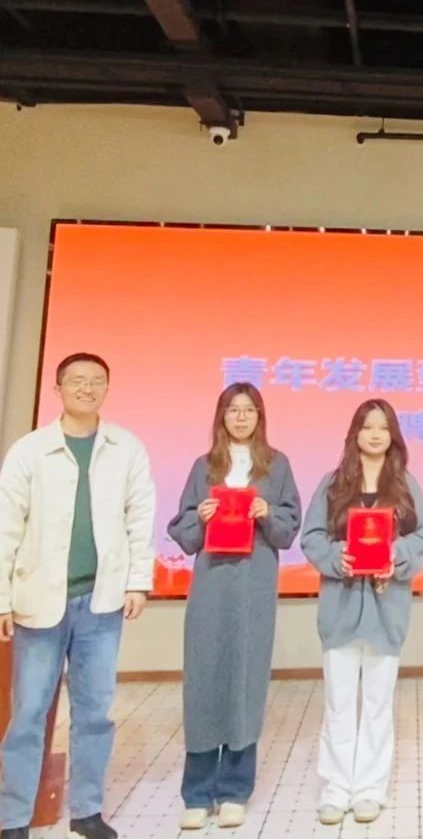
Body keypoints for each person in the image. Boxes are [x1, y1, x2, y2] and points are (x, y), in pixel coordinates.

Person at [0, 352, 156, 839]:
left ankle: (87, 811)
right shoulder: (30, 451)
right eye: (77, 380)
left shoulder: (125, 448)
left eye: (97, 381)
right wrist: (2, 598)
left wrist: (137, 581)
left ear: (106, 388)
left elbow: (140, 517)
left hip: (101, 603)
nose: (87, 388)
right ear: (58, 389)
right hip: (38, 603)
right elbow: (6, 526)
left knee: (94, 713)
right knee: (28, 714)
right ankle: (13, 818)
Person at [166, 383, 301, 829]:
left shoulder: (276, 465)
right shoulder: (204, 467)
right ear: (221, 416)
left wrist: (266, 512)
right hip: (212, 586)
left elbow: (289, 526)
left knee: (245, 680)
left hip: (254, 586)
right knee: (203, 681)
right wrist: (200, 517)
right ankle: (197, 791)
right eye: (232, 410)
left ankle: (235, 789)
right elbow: (182, 528)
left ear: (260, 416)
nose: (241, 417)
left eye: (249, 410)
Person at [301, 399, 423, 825]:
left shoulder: (406, 486)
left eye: (383, 427)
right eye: (367, 426)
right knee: (339, 703)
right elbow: (312, 537)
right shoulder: (333, 484)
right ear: (354, 433)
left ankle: (370, 789)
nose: (375, 435)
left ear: (393, 435)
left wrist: (397, 556)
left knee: (377, 704)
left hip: (386, 609)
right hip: (340, 608)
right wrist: (336, 557)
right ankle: (336, 789)